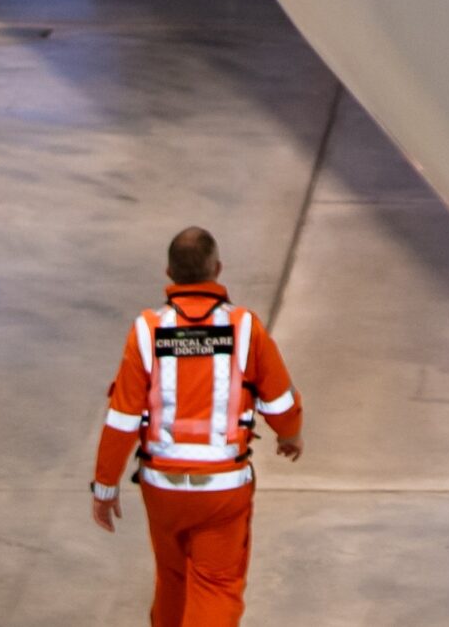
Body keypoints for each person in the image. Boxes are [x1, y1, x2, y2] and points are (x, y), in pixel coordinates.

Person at [91, 227, 304, 626]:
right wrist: (289, 434)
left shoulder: (146, 330)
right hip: (222, 490)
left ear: (168, 272)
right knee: (217, 586)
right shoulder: (244, 328)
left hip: (161, 486)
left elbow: (121, 417)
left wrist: (104, 486)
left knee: (172, 578)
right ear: (217, 270)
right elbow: (280, 400)